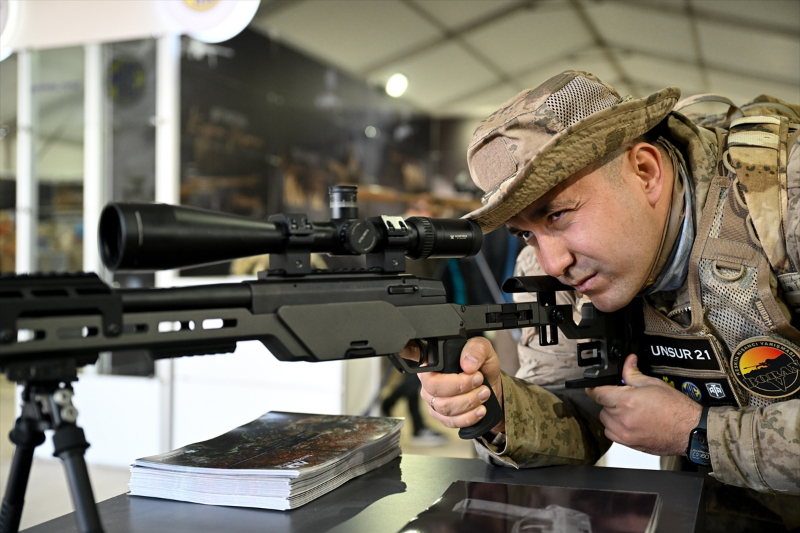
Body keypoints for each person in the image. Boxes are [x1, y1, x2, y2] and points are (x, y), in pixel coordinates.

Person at [405, 70, 800, 532]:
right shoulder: (550, 270)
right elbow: (578, 421)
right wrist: (499, 409)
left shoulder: (786, 202)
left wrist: (698, 434)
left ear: (645, 171)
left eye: (559, 214)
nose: (552, 261)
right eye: (526, 233)